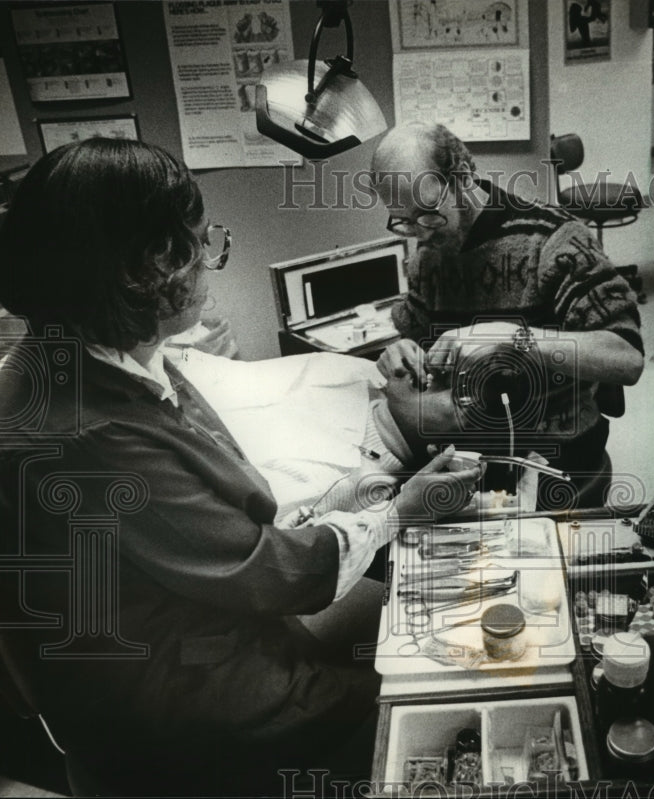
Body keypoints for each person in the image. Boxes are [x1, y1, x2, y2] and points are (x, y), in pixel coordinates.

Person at [0, 139, 481, 797]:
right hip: (181, 706)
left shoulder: (92, 354)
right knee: (428, 704)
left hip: (199, 622)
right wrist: (400, 510)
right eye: (200, 244)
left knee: (396, 616)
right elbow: (272, 573)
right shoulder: (88, 433)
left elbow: (208, 501)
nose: (208, 263)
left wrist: (336, 517)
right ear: (143, 266)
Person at [370, 122, 644, 507]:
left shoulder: (553, 240)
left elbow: (626, 359)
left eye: (428, 215)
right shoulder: (427, 261)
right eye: (403, 220)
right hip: (461, 460)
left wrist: (513, 339)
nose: (420, 233)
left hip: (550, 460)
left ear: (463, 178)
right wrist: (401, 349)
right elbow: (416, 337)